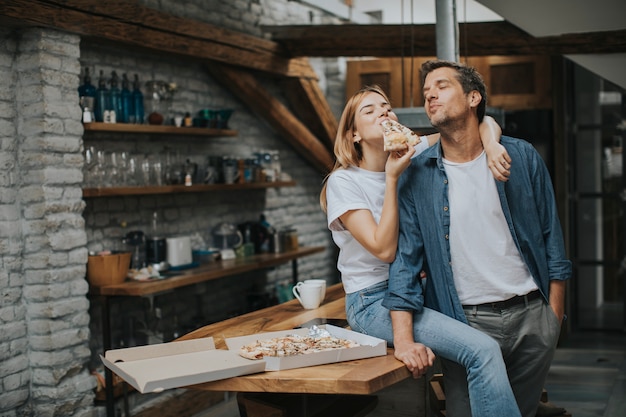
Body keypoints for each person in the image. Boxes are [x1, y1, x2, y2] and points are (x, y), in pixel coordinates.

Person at [383, 60, 572, 417]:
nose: (430, 95)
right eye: (426, 92)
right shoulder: (417, 173)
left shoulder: (520, 156)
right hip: (465, 323)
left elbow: (552, 238)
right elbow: (405, 261)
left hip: (532, 316)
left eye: (441, 86)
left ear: (473, 97)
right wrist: (404, 338)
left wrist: (553, 317)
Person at [320, 85, 521, 417]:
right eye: (369, 111)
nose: (383, 112)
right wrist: (392, 178)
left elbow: (480, 124)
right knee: (483, 349)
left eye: (386, 107)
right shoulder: (345, 182)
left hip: (419, 290)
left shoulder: (409, 153)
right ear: (354, 134)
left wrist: (492, 144)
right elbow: (384, 250)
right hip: (372, 301)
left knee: (481, 353)